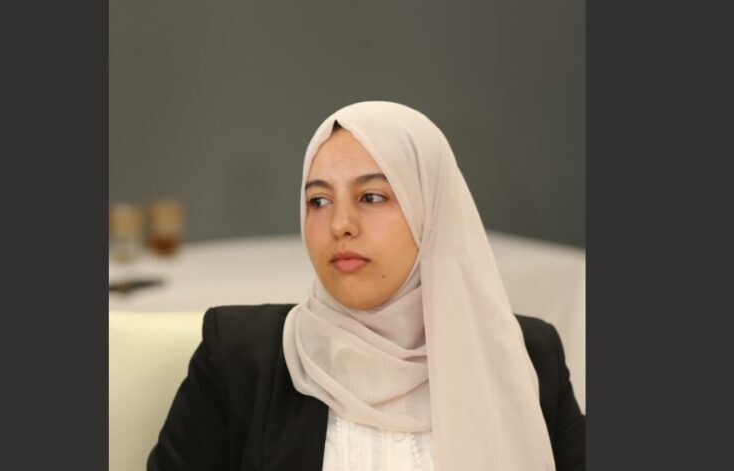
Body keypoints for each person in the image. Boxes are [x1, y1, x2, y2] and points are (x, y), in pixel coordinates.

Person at [147, 102, 585, 470]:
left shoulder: (525, 356)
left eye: (371, 197)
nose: (340, 224)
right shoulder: (240, 359)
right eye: (319, 201)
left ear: (431, 212)